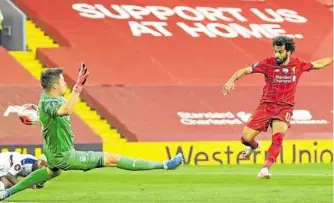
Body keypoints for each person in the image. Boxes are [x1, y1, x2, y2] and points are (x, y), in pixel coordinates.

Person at [0, 63, 183, 200]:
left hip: (52, 151)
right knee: (112, 159)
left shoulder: (46, 98)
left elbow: (53, 110)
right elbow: (65, 110)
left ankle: (7, 192)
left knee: (52, 172)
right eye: (63, 81)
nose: (65, 84)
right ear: (55, 86)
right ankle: (165, 165)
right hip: (64, 155)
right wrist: (78, 87)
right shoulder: (50, 102)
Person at [222, 36, 333, 179]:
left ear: (289, 52)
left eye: (280, 52)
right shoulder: (267, 63)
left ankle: (265, 169)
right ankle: (254, 147)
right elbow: (245, 70)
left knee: (278, 138)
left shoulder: (297, 64)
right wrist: (231, 80)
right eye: (275, 51)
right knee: (245, 138)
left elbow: (318, 64)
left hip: (284, 108)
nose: (277, 55)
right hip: (266, 106)